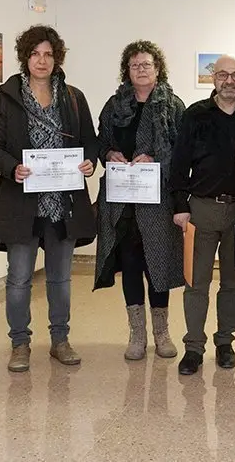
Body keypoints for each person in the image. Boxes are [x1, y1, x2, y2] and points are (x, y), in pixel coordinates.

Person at [0, 25, 98, 372]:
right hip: (21, 204)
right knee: (19, 278)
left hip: (62, 204)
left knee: (60, 279)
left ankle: (60, 340)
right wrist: (11, 168)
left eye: (48, 54)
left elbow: (89, 140)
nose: (42, 60)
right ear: (25, 57)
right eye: (35, 53)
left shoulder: (74, 97)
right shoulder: (6, 99)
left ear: (56, 58)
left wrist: (90, 162)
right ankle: (20, 343)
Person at [169, 54, 235, 375]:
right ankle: (194, 346)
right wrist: (180, 206)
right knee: (196, 282)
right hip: (201, 209)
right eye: (223, 75)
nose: (229, 81)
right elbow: (179, 164)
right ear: (213, 79)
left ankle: (225, 342)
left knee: (233, 282)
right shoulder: (195, 115)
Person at [94, 40, 185, 360]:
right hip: (121, 201)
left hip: (158, 200)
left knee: (157, 265)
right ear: (127, 71)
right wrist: (109, 152)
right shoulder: (113, 104)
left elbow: (183, 151)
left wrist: (156, 157)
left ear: (158, 68)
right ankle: (137, 334)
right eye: (135, 65)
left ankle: (162, 333)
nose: (141, 70)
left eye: (147, 64)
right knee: (130, 265)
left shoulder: (173, 105)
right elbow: (100, 140)